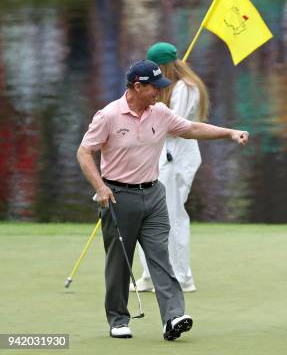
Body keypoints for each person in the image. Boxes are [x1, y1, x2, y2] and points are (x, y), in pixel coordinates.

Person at [76, 59, 248, 340]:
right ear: (137, 86)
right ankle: (118, 319)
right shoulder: (107, 116)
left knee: (160, 256)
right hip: (118, 196)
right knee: (120, 261)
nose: (159, 91)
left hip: (154, 195)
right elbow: (84, 153)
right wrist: (100, 187)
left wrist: (229, 133)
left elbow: (191, 128)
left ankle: (173, 317)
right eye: (154, 87)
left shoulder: (160, 112)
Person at [132, 42, 209, 293]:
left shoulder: (186, 88)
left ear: (164, 66)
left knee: (172, 216)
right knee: (149, 216)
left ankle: (181, 277)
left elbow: (176, 125)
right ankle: (150, 274)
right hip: (158, 157)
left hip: (176, 157)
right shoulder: (168, 88)